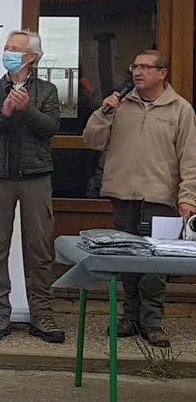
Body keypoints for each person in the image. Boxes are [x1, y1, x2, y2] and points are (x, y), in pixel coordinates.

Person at [83, 49, 196, 348]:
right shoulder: (119, 105)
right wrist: (103, 112)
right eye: (135, 66)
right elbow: (92, 141)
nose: (138, 72)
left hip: (160, 198)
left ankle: (153, 323)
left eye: (146, 67)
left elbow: (190, 159)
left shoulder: (180, 110)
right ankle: (129, 317)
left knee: (154, 266)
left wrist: (188, 197)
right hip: (122, 195)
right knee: (126, 261)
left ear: (163, 73)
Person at [0, 29, 63, 343]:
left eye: (14, 49)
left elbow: (51, 127)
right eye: (6, 47)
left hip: (36, 178)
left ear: (30, 58)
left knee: (39, 250)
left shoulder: (48, 90)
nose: (7, 52)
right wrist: (6, 111)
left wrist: (27, 109)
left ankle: (43, 317)